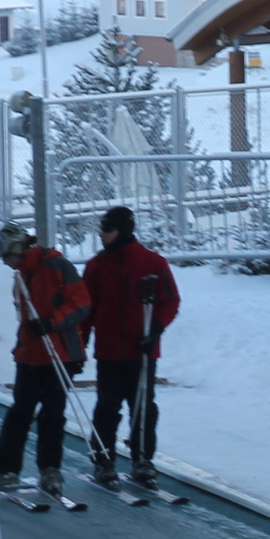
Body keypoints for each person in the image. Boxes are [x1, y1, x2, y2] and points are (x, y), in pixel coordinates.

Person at [81, 204, 180, 490]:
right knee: (107, 407)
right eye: (100, 228)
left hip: (143, 351)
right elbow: (86, 309)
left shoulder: (153, 263)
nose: (101, 234)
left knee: (143, 407)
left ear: (122, 230)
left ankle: (142, 459)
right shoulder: (97, 266)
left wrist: (156, 329)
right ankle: (103, 460)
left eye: (107, 229)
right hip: (110, 352)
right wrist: (79, 344)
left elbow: (170, 301)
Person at [0, 223, 90, 494]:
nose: (6, 263)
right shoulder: (21, 276)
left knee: (52, 413)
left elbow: (81, 302)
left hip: (59, 352)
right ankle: (7, 469)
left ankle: (50, 468)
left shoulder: (56, 265)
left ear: (17, 248)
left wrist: (51, 322)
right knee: (20, 411)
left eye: (7, 256)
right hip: (31, 354)